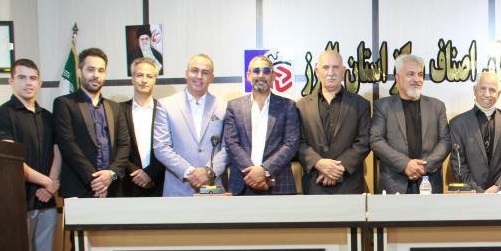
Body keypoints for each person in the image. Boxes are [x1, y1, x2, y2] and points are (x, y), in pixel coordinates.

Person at [0, 58, 61, 251]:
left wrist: (51, 185)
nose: (28, 83)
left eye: (33, 78)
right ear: (11, 81)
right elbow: (12, 160)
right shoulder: (2, 115)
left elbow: (58, 152)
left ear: (39, 82)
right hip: (18, 201)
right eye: (22, 77)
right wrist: (47, 181)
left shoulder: (47, 116)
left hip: (47, 201)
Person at [54, 47, 130, 199]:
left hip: (113, 188)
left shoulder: (115, 107)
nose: (96, 75)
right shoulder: (64, 103)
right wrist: (95, 181)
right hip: (79, 188)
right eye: (90, 69)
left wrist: (111, 175)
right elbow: (67, 145)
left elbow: (124, 145)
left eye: (101, 70)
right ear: (79, 72)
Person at [369, 53, 450, 194]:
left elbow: (446, 141)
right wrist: (405, 164)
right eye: (410, 74)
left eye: (420, 75)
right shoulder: (383, 106)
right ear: (397, 78)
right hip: (394, 184)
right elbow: (376, 140)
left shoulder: (437, 106)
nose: (417, 79)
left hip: (429, 182)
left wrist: (424, 167)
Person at [223, 55, 300, 195]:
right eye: (256, 71)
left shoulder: (288, 106)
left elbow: (291, 144)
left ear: (273, 76)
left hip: (278, 184)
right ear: (248, 75)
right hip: (242, 183)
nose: (261, 75)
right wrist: (253, 173)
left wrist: (264, 170)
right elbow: (231, 143)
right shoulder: (234, 106)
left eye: (266, 71)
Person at [296, 50, 370, 194]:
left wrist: (339, 168)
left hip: (349, 184)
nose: (331, 73)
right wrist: (319, 163)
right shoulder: (301, 106)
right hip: (314, 183)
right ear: (317, 71)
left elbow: (365, 141)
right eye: (325, 67)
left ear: (343, 71)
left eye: (335, 67)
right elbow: (297, 142)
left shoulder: (361, 104)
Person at [153, 54, 227, 196]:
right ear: (186, 73)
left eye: (205, 72)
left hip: (213, 189)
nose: (199, 76)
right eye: (194, 70)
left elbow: (227, 148)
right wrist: (190, 173)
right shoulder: (166, 105)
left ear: (211, 77)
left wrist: (207, 172)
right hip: (178, 189)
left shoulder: (223, 106)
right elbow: (161, 147)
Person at [448, 71, 501, 193]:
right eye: (483, 88)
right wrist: (479, 192)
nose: (487, 94)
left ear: (499, 94)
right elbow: (458, 164)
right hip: (472, 195)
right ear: (474, 90)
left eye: (492, 90)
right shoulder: (457, 124)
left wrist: (498, 187)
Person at [121, 57, 164, 196]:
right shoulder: (118, 110)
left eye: (149, 76)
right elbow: (116, 148)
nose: (144, 80)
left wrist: (150, 174)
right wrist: (135, 173)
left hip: (159, 185)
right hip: (128, 186)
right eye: (139, 75)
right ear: (132, 79)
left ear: (155, 80)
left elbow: (169, 147)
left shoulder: (165, 110)